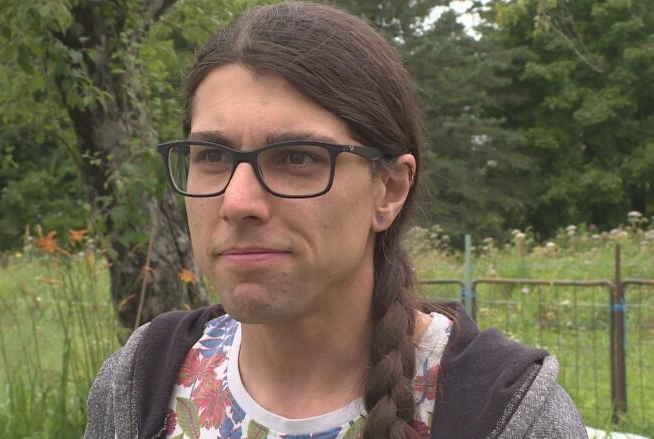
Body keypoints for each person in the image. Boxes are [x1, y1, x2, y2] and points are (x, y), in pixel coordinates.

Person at [84, 2, 587, 438]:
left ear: (388, 189)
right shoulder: (144, 383)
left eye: (297, 158)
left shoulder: (504, 412)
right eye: (212, 155)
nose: (237, 202)